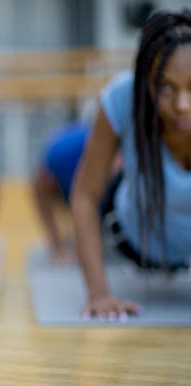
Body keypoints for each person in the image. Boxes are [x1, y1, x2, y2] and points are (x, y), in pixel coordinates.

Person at [71, 8, 191, 321]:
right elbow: (84, 196)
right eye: (165, 87)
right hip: (136, 241)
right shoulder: (124, 96)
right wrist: (98, 293)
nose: (182, 106)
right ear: (145, 83)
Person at [33, 121, 90, 263]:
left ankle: (62, 247)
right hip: (62, 163)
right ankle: (59, 247)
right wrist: (58, 245)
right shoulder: (58, 157)